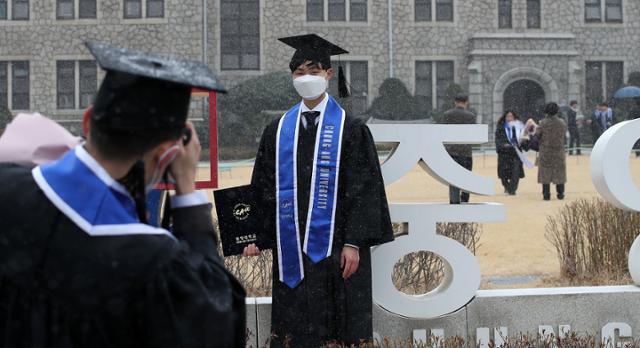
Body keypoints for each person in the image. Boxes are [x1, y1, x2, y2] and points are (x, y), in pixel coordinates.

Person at [0, 42, 246, 347]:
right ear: (167, 154)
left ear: (88, 120)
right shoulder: (152, 261)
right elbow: (217, 326)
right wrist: (186, 190)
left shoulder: (8, 190)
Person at [243, 34, 394, 347]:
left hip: (338, 249)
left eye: (313, 71)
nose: (306, 78)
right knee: (293, 332)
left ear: (329, 74)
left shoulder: (351, 129)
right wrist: (252, 235)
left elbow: (364, 189)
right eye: (299, 72)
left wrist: (354, 241)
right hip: (292, 253)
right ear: (292, 78)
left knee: (340, 326)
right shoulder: (278, 130)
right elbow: (263, 187)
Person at [442, 93, 476, 204]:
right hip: (465, 151)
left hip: (451, 150)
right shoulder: (470, 116)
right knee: (467, 175)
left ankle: (454, 199)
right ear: (466, 102)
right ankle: (465, 198)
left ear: (455, 102)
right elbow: (473, 134)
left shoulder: (447, 114)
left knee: (453, 176)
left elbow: (443, 132)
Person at [534, 102, 568, 201]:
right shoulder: (562, 122)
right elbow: (564, 134)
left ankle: (546, 194)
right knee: (559, 172)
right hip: (559, 150)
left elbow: (537, 135)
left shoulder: (542, 123)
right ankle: (560, 193)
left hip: (546, 151)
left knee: (545, 172)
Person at [495, 110, 525, 195]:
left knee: (515, 172)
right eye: (508, 116)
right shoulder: (501, 127)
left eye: (511, 116)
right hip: (504, 153)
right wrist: (503, 145)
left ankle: (512, 190)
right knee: (503, 174)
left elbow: (523, 139)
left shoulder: (518, 128)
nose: (509, 118)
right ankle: (507, 187)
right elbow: (498, 140)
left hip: (515, 153)